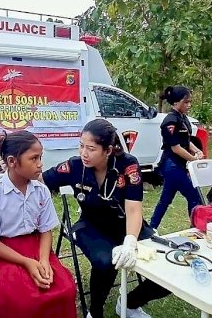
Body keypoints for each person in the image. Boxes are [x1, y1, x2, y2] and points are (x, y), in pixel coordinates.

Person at [42, 119, 171, 318]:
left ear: (108, 150)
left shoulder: (128, 165)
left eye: (91, 148)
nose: (84, 153)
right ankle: (94, 312)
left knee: (166, 268)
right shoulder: (74, 167)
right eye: (81, 146)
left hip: (126, 223)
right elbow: (40, 179)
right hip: (91, 225)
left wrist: (130, 241)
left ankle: (130, 303)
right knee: (105, 261)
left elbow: (134, 209)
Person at [0, 131, 76, 318]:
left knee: (65, 288)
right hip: (2, 251)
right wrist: (27, 262)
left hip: (35, 247)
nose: (40, 164)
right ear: (12, 162)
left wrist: (43, 260)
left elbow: (46, 230)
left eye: (41, 157)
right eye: (34, 158)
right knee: (21, 297)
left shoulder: (41, 191)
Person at [149, 85, 204, 229]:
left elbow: (186, 140)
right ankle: (195, 228)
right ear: (175, 102)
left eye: (189, 102)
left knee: (165, 200)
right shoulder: (170, 121)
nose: (189, 105)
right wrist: (194, 159)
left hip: (178, 165)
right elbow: (176, 148)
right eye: (185, 102)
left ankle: (151, 228)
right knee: (195, 197)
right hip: (172, 165)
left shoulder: (182, 118)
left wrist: (197, 150)